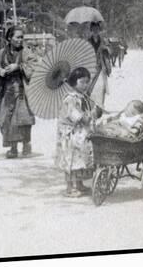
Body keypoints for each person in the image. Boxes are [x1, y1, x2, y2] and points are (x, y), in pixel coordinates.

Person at [0, 26, 36, 159]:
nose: (20, 40)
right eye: (17, 37)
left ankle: (26, 144)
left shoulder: (27, 53)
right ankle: (13, 147)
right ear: (9, 38)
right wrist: (0, 71)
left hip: (22, 91)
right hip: (6, 91)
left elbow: (35, 68)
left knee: (23, 119)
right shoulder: (0, 54)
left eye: (22, 37)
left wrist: (19, 67)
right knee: (7, 119)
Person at [55, 67, 100, 197]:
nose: (85, 85)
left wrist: (95, 110)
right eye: (82, 82)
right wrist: (89, 115)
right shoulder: (70, 98)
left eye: (87, 82)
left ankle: (79, 183)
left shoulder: (82, 96)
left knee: (81, 158)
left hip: (79, 132)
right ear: (74, 82)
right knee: (71, 159)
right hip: (70, 133)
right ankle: (70, 187)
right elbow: (76, 115)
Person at [88, 22, 111, 107]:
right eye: (94, 29)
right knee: (90, 87)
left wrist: (106, 49)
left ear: (99, 30)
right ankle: (91, 106)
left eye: (97, 29)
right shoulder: (88, 41)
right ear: (91, 30)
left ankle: (101, 106)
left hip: (102, 67)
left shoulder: (104, 41)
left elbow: (109, 52)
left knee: (101, 87)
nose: (95, 31)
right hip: (91, 66)